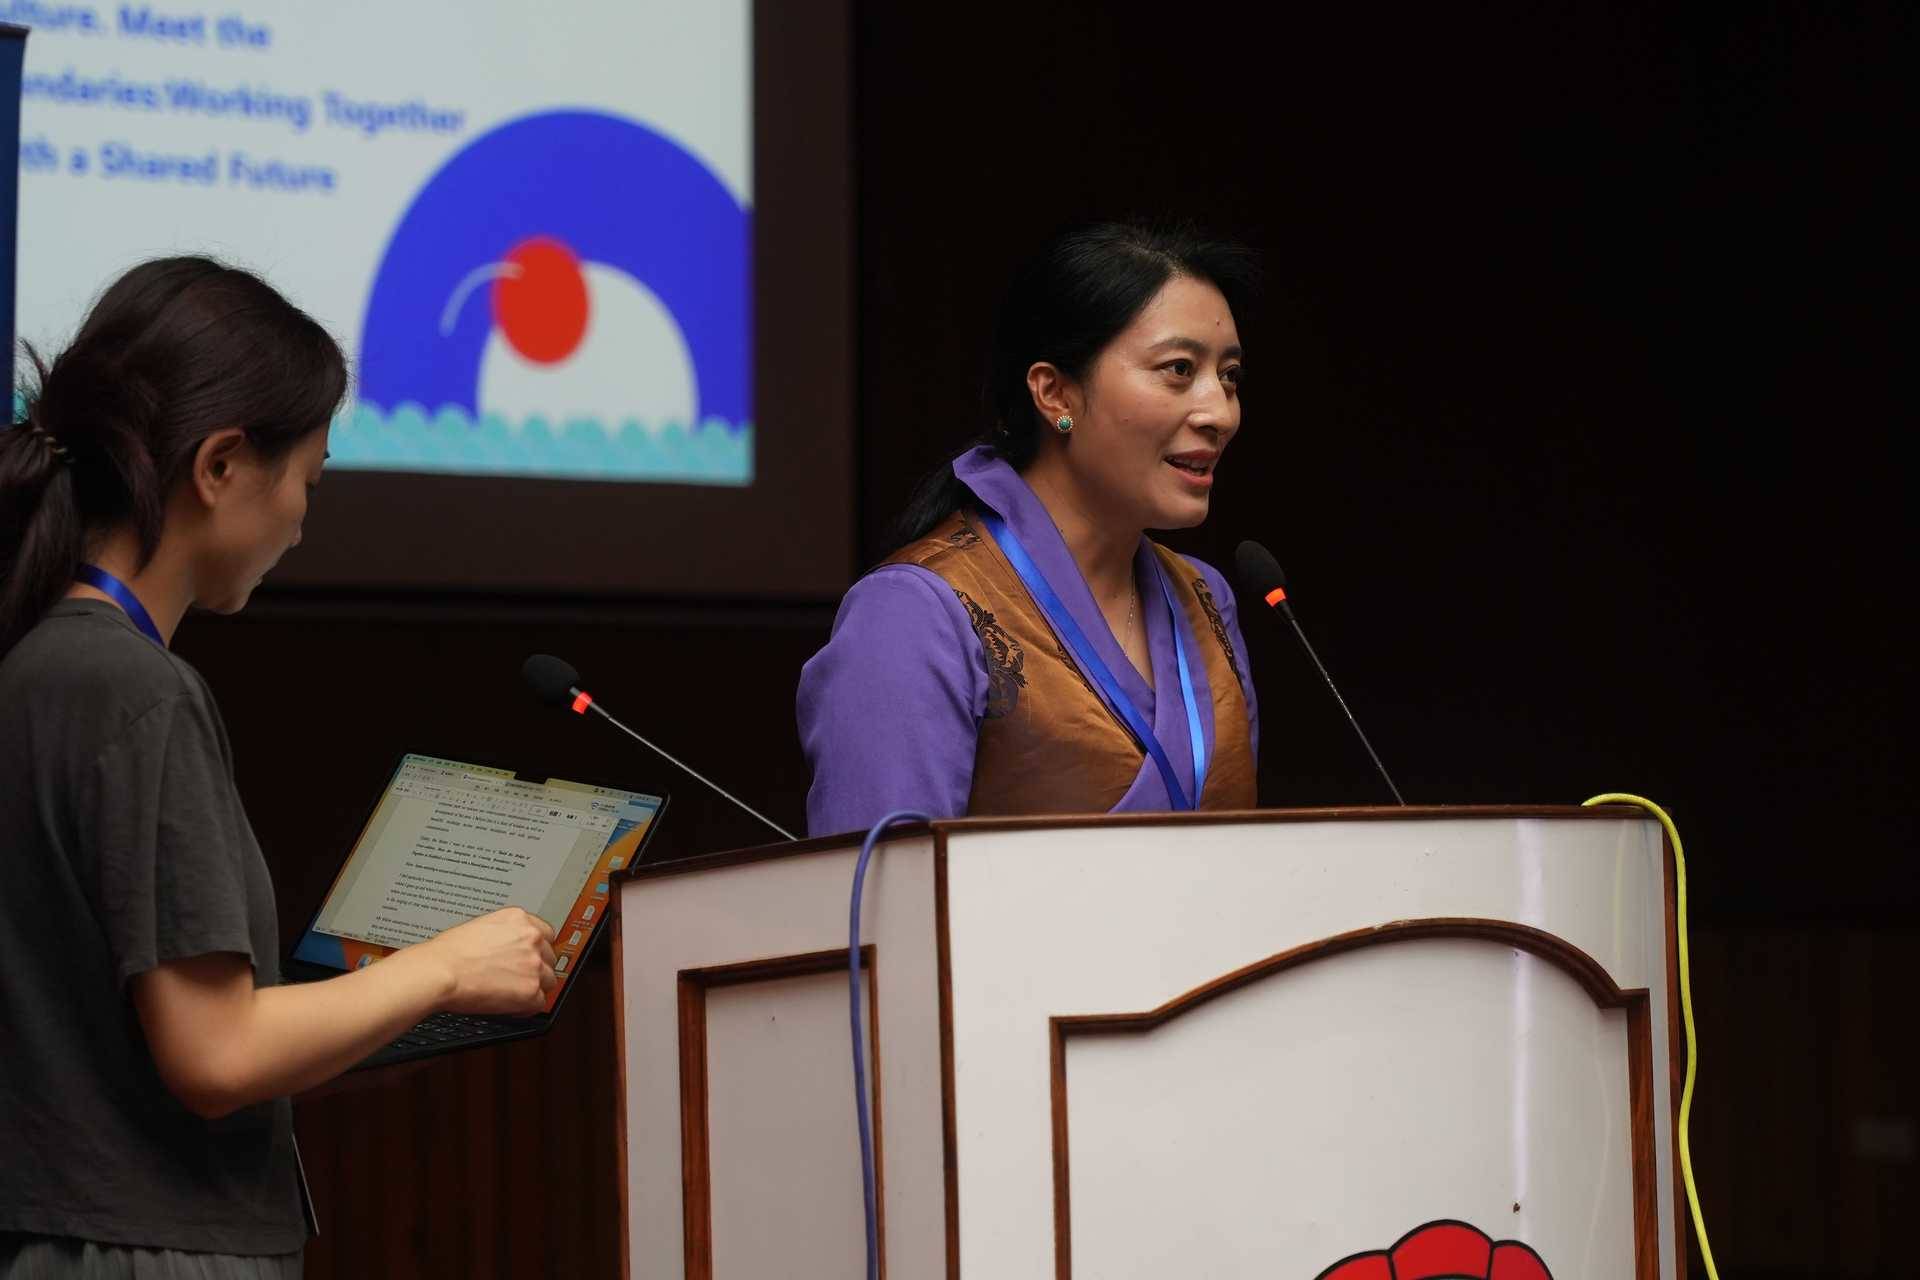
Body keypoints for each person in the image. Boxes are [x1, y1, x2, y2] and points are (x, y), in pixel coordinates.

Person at [0, 258, 556, 1278]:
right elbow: (216, 1053)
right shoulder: (138, 691)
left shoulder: (35, 665)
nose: (302, 518)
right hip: (151, 1250)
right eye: (309, 479)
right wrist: (446, 966)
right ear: (220, 466)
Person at [798, 222, 1261, 835]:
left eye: (1229, 376)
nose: (1220, 413)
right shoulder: (916, 611)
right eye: (1178, 369)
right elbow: (880, 889)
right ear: (1055, 393)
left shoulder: (1205, 598)